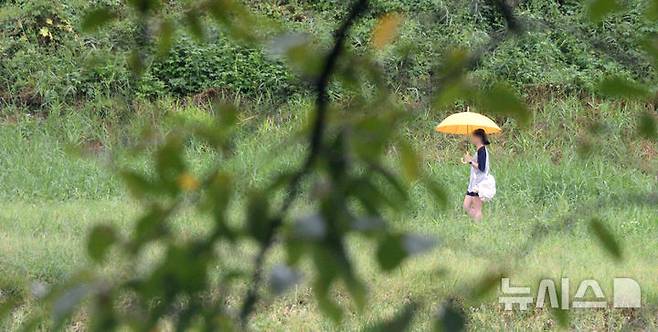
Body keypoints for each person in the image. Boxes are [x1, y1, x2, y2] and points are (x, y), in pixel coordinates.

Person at [462, 128, 491, 221]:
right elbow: (477, 164)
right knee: (466, 206)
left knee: (477, 209)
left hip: (479, 184)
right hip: (474, 183)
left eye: (473, 137)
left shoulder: (482, 150)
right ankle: (478, 221)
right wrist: (470, 159)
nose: (472, 139)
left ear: (478, 138)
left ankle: (479, 225)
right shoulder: (479, 151)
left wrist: (470, 161)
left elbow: (481, 167)